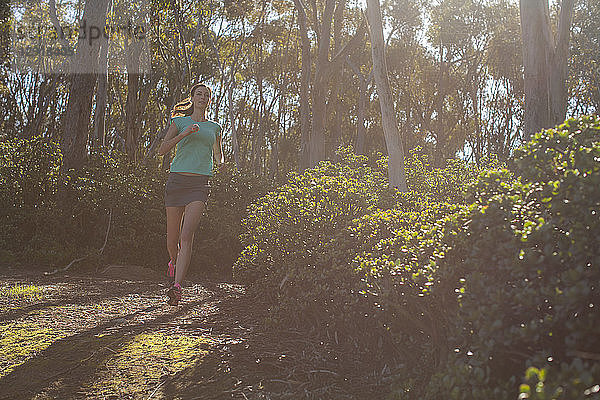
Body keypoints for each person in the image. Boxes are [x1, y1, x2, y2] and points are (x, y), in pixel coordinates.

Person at [157, 83, 224, 305]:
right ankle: (173, 264)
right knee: (172, 240)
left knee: (187, 236)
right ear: (192, 98)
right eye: (199, 94)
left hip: (199, 184)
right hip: (177, 181)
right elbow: (162, 150)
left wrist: (221, 164)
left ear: (209, 100)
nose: (202, 97)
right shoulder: (180, 121)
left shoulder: (214, 127)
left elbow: (218, 154)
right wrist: (183, 134)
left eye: (206, 95)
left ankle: (177, 287)